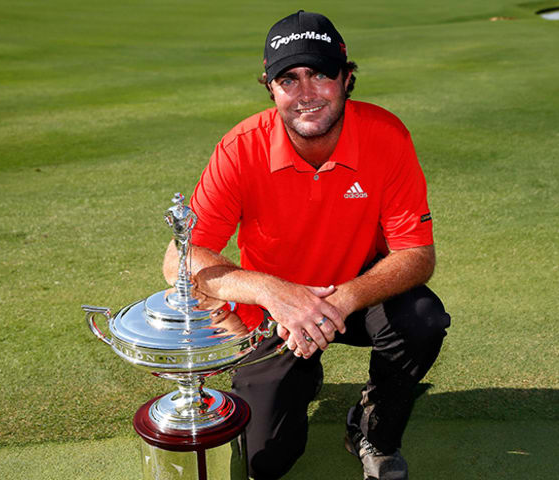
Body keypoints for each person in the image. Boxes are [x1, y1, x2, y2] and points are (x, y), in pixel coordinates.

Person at [162, 10, 451, 480]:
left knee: (421, 319)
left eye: (320, 73)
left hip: (356, 292)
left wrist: (339, 302)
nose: (307, 93)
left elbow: (417, 254)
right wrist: (276, 294)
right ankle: (301, 375)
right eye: (289, 79)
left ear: (347, 78)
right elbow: (178, 256)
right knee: (263, 461)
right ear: (271, 88)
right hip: (274, 317)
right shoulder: (241, 148)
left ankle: (373, 430)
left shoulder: (386, 135)